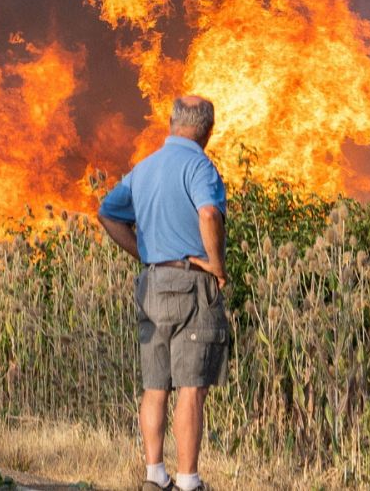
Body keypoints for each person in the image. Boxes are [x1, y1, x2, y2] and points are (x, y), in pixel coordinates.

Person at [97, 95, 229, 491]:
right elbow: (208, 213)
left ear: (171, 122)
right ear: (208, 129)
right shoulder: (200, 166)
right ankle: (189, 482)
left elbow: (107, 211)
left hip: (152, 283)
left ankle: (154, 475)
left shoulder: (145, 167)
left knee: (155, 386)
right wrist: (217, 265)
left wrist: (146, 253)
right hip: (191, 284)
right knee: (191, 386)